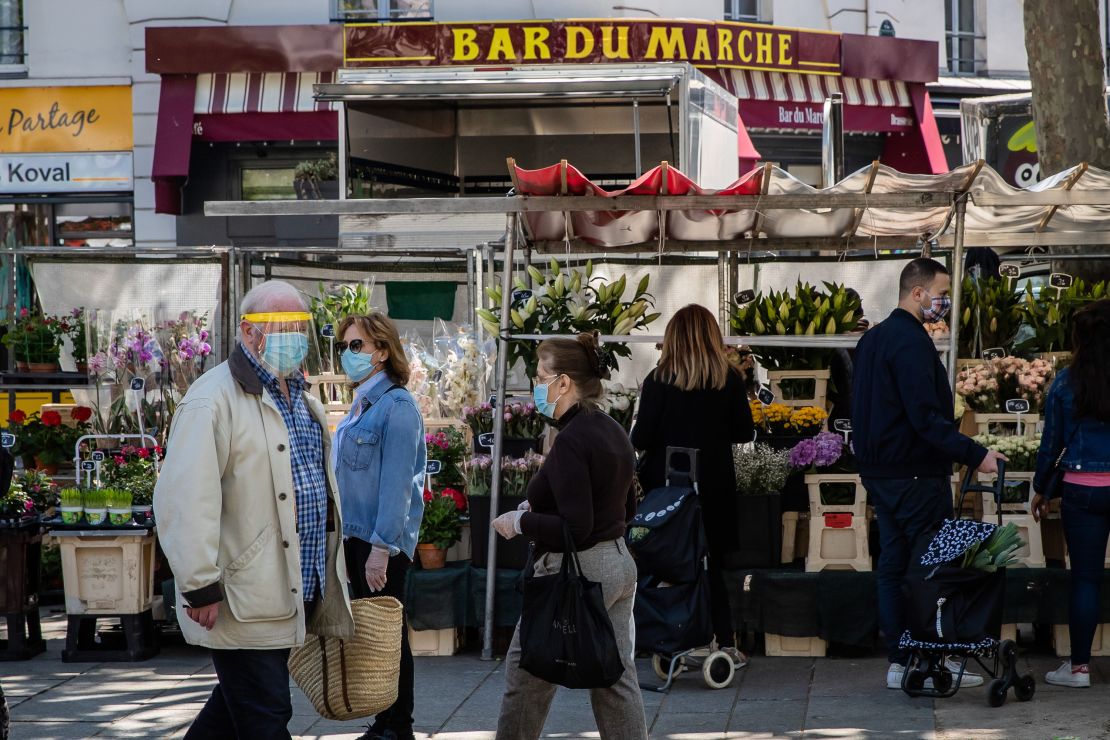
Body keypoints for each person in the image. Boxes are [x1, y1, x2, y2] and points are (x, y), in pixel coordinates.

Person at [154, 280, 354, 740]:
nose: (293, 337)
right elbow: (183, 496)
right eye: (279, 326)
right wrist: (198, 583)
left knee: (232, 710)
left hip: (290, 588)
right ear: (248, 332)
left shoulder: (302, 399)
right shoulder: (212, 399)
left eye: (299, 326)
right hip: (243, 592)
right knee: (266, 713)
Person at [851, 258, 1006, 690]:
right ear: (916, 293)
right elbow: (926, 418)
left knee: (893, 565)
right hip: (916, 475)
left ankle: (901, 661)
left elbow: (861, 408)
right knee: (931, 568)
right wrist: (977, 454)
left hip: (881, 475)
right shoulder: (912, 343)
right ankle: (938, 661)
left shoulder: (872, 340)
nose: (945, 302)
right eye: (941, 292)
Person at [491, 333, 647, 740]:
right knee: (615, 679)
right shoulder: (612, 429)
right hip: (617, 562)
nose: (534, 385)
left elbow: (575, 529)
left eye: (540, 376)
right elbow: (625, 507)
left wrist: (520, 522)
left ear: (563, 383)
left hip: (577, 571)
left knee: (527, 673)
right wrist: (540, 510)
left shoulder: (572, 439)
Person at [630, 304, 754, 665]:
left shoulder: (657, 380)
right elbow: (744, 432)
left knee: (665, 561)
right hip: (713, 488)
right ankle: (724, 640)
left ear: (672, 339)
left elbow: (642, 437)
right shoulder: (728, 379)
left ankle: (664, 633)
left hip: (666, 492)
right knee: (708, 563)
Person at [333, 313, 426, 739]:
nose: (347, 354)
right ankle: (387, 721)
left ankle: (397, 725)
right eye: (345, 345)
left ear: (383, 351)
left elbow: (398, 486)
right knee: (376, 636)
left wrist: (381, 547)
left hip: (378, 540)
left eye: (357, 346)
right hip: (357, 536)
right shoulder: (363, 403)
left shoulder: (398, 407)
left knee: (389, 637)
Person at [1032, 299, 1110, 688]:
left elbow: (1051, 445)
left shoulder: (1066, 382)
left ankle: (1079, 668)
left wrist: (1041, 489)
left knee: (1085, 580)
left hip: (1082, 491)